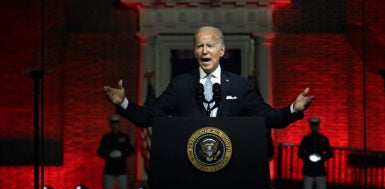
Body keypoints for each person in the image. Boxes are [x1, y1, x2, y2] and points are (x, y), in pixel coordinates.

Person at [104, 26, 314, 129]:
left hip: (230, 170)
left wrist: (293, 109)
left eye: (210, 46)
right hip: (190, 170)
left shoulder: (240, 86)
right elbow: (147, 117)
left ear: (221, 51)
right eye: (199, 46)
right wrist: (122, 102)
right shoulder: (180, 84)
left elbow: (269, 118)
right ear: (195, 51)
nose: (205, 51)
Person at [97, 115, 135, 189]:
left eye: (116, 124)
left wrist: (122, 154)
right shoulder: (106, 138)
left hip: (121, 169)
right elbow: (99, 152)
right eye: (113, 124)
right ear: (110, 125)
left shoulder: (124, 137)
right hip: (109, 170)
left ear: (118, 125)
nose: (114, 126)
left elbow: (131, 150)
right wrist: (108, 155)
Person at [298, 117, 333, 189]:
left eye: (316, 126)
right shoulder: (306, 139)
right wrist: (308, 158)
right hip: (308, 170)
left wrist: (321, 158)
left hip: (319, 170)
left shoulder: (323, 139)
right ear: (311, 127)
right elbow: (300, 153)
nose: (314, 128)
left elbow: (329, 153)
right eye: (313, 126)